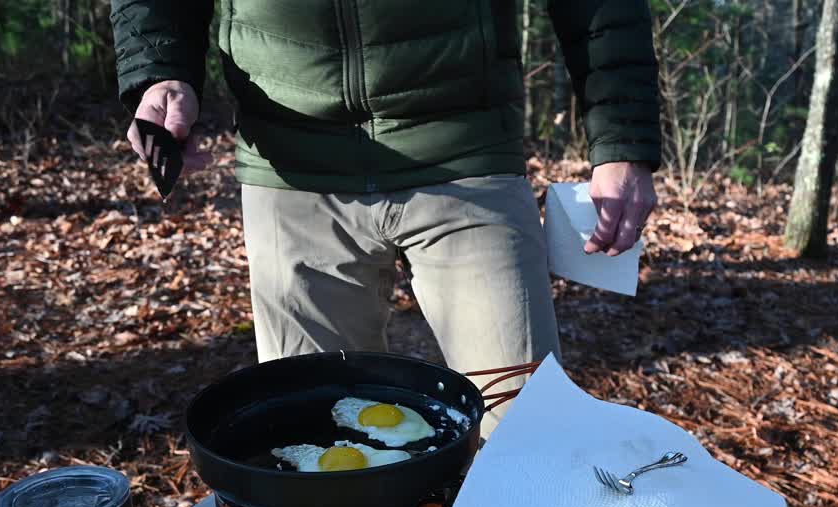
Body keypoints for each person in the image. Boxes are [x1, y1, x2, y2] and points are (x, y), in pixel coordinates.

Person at [109, 1, 661, 435]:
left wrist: (622, 140)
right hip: (292, 172)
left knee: (526, 431)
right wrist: (159, 70)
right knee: (318, 436)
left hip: (466, 158)